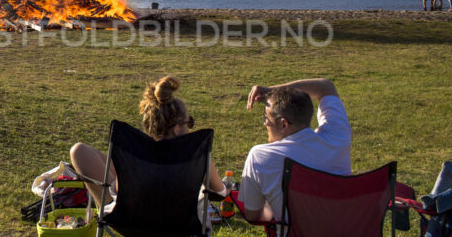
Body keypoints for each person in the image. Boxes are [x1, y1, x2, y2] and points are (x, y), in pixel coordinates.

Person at [70, 76, 227, 215]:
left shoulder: (134, 153)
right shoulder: (197, 155)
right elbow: (220, 193)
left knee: (79, 151)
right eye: (189, 122)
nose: (190, 127)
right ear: (177, 129)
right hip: (181, 224)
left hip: (129, 220)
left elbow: (117, 189)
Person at [240, 78, 352, 223]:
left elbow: (253, 216)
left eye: (265, 117)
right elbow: (326, 86)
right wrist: (272, 90)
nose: (264, 123)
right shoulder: (338, 136)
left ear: (283, 124)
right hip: (345, 228)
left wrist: (272, 204)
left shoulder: (260, 156)